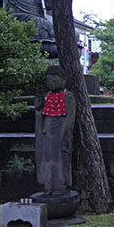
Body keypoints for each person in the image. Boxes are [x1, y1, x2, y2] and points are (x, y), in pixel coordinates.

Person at [34, 65, 76, 195]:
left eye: (54, 79)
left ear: (63, 80)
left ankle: (60, 185)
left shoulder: (68, 96)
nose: (50, 83)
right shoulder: (47, 96)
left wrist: (66, 134)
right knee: (47, 158)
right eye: (48, 80)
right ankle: (48, 184)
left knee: (60, 158)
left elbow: (70, 117)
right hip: (48, 131)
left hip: (61, 131)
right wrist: (38, 107)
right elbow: (40, 114)